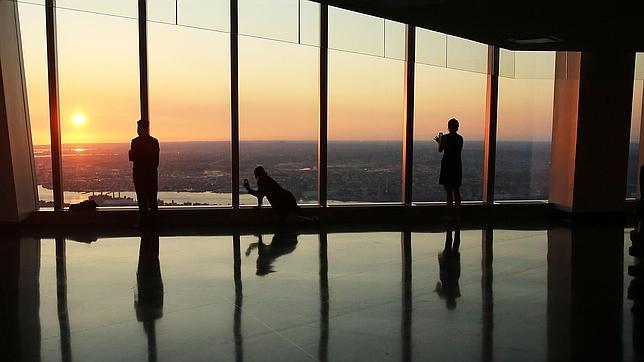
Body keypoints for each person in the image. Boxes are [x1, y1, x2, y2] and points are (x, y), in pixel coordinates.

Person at [243, 166, 317, 223]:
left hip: (282, 200)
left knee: (288, 217)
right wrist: (259, 205)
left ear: (256, 174)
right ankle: (312, 220)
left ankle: (311, 220)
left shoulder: (261, 180)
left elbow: (259, 194)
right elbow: (261, 194)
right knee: (289, 216)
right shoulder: (266, 178)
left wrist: (248, 189)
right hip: (286, 197)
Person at [129, 119, 160, 216]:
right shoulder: (154, 141)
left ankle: (144, 222)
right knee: (152, 199)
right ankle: (153, 222)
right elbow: (156, 160)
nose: (138, 130)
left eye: (138, 128)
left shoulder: (135, 142)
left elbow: (132, 157)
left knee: (142, 200)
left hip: (139, 175)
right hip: (151, 174)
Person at [435, 118, 463, 216]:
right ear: (457, 127)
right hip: (457, 164)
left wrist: (439, 141)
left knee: (448, 190)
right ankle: (458, 213)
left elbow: (440, 149)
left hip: (447, 164)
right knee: (456, 190)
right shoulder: (460, 138)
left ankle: (450, 214)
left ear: (449, 127)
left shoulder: (445, 137)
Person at [435, 225, 461, 309]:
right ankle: (450, 229)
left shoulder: (456, 294)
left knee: (455, 247)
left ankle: (456, 229)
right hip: (447, 272)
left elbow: (438, 287)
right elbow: (438, 286)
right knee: (448, 246)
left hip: (454, 271)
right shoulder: (446, 294)